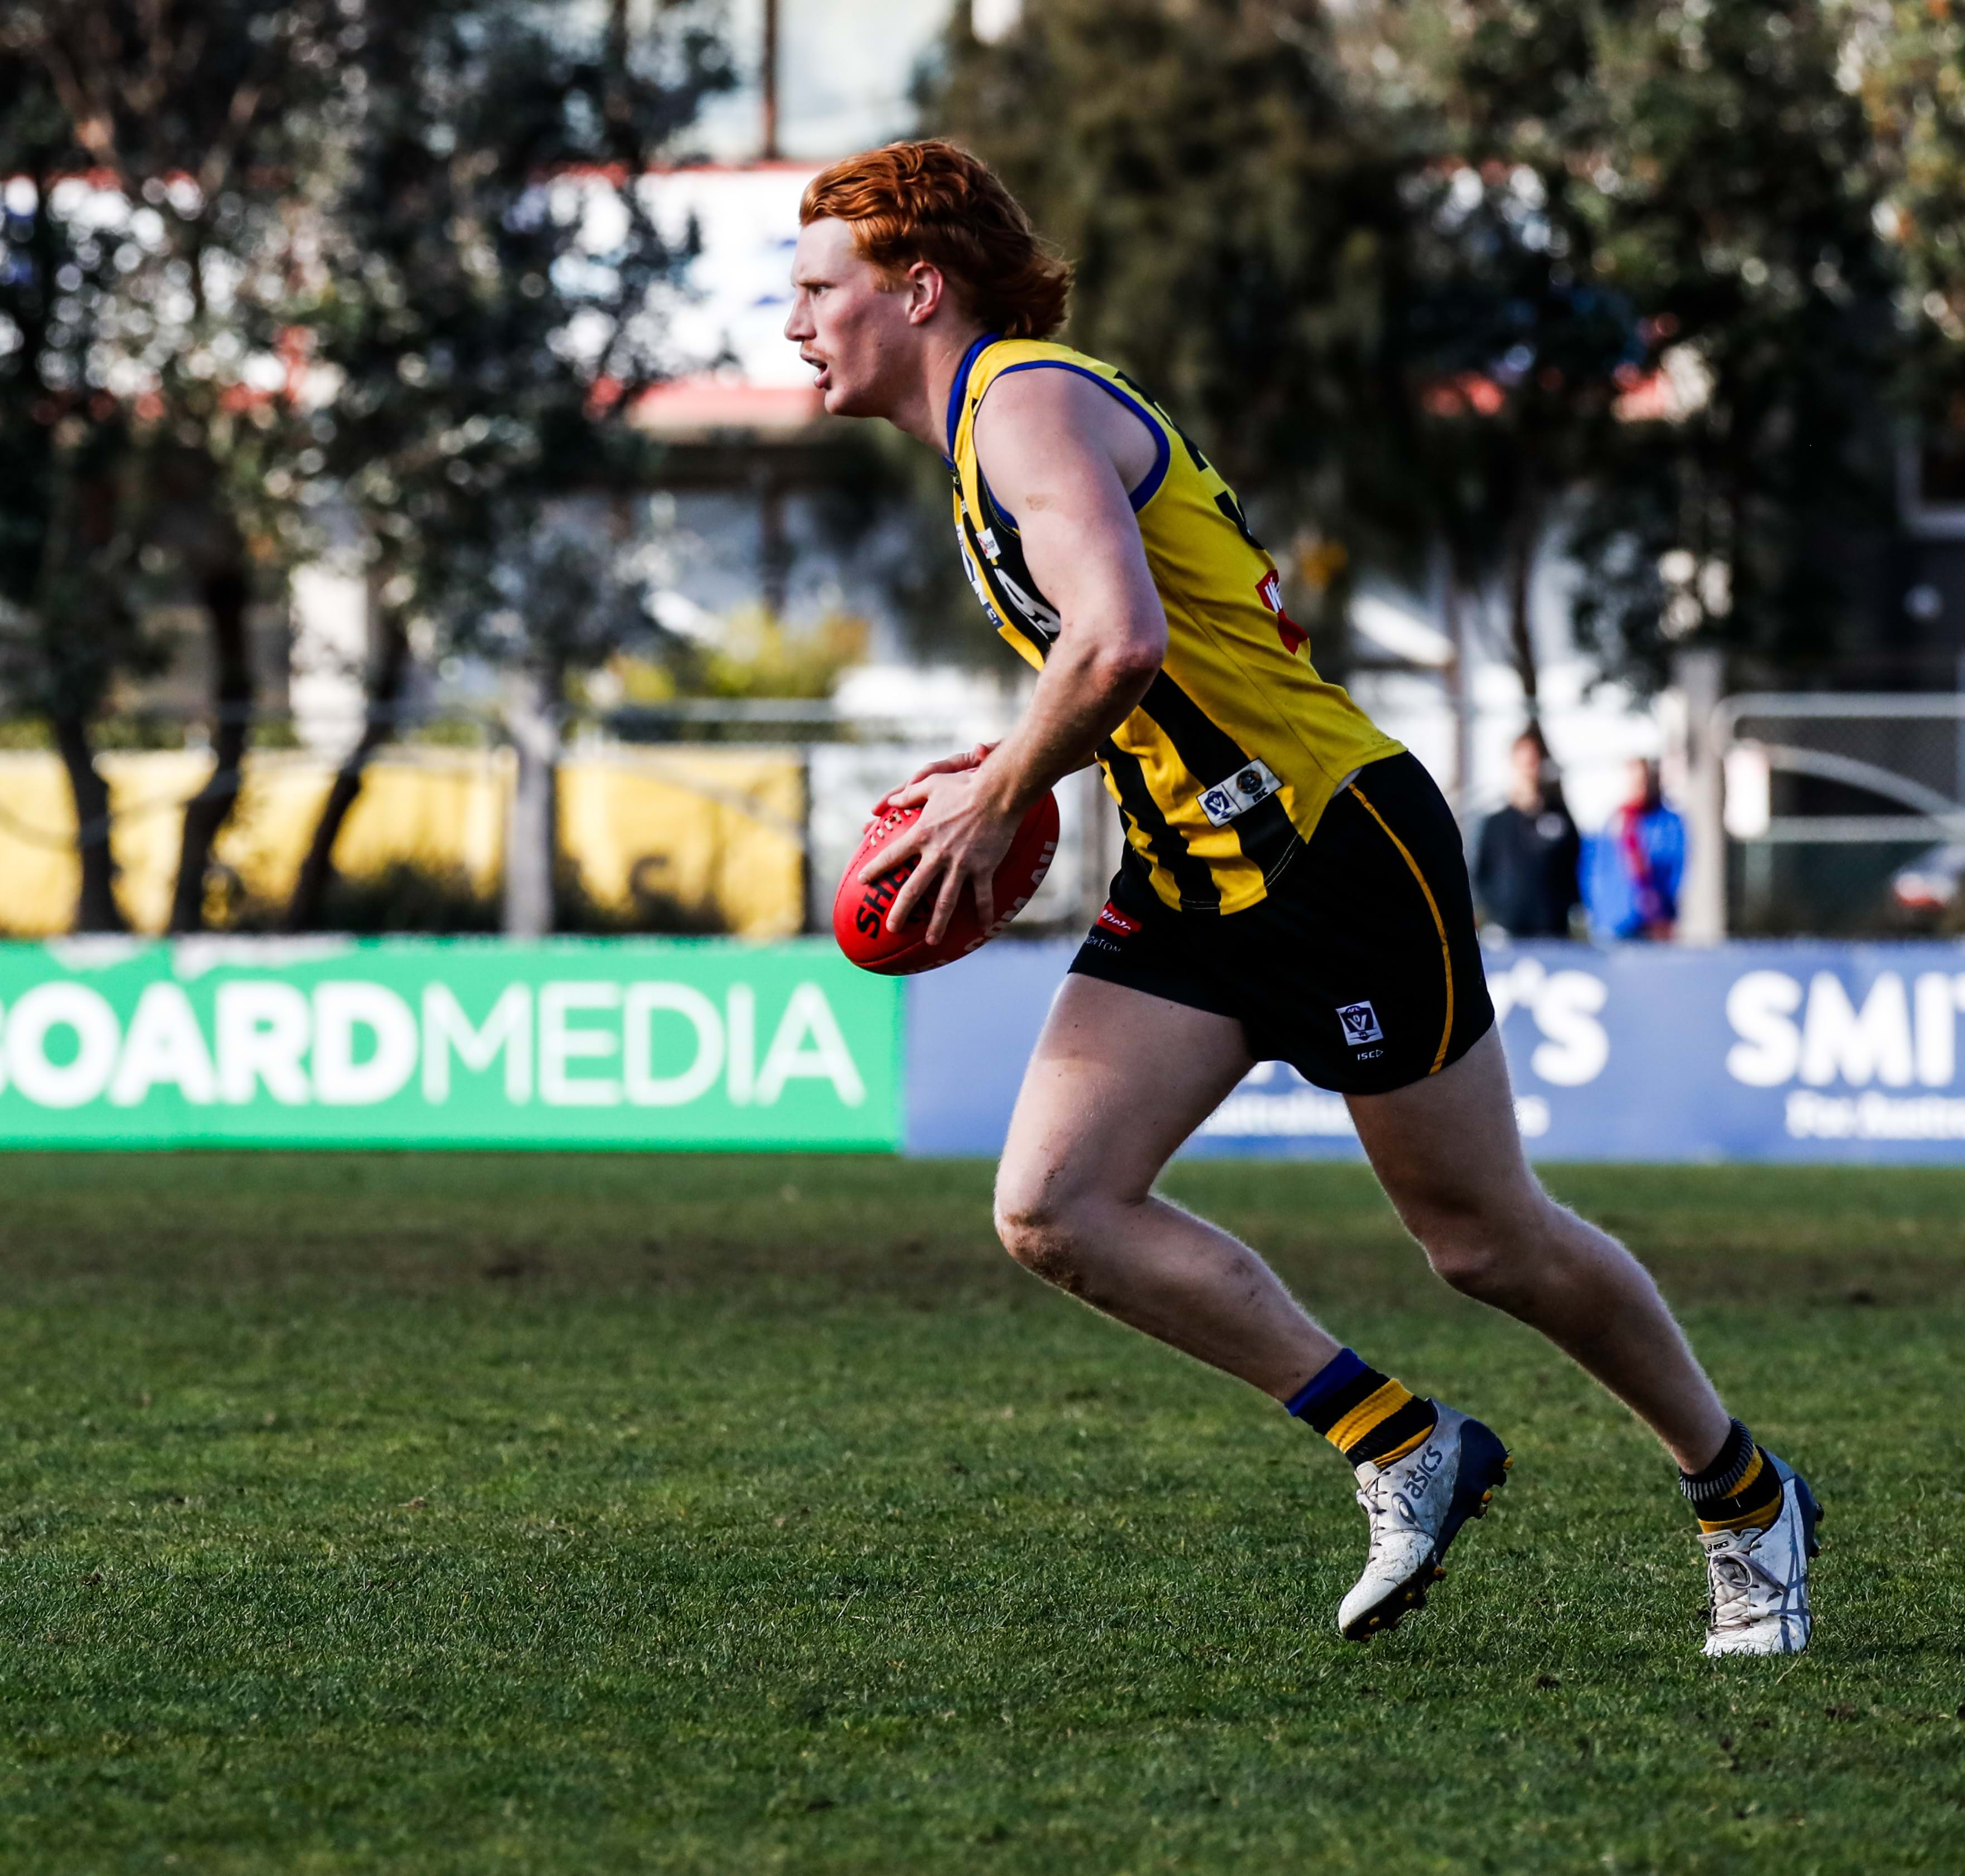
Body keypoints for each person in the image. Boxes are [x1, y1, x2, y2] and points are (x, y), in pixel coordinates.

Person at [785, 140, 1817, 1655]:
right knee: (1054, 1205)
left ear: (918, 286)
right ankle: (1401, 1442)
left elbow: (1119, 641)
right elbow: (1126, 670)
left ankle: (1742, 1494)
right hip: (1193, 875)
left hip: (1333, 847)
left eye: (818, 287)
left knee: (1483, 1242)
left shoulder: (1019, 401)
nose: (795, 322)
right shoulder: (980, 437)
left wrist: (995, 796)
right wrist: (1004, 780)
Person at [1473, 731, 1581, 938]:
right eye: (1523, 763)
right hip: (1507, 935)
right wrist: (1497, 914)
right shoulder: (1497, 823)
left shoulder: (1560, 818)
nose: (1528, 770)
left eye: (1533, 762)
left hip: (1553, 934)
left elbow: (1576, 865)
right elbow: (1481, 875)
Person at [1585, 758, 1686, 941]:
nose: (1639, 787)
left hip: (1655, 923)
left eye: (1643, 781)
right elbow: (1592, 872)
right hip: (1614, 924)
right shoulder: (1609, 823)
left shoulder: (1669, 823)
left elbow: (1678, 870)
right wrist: (1600, 911)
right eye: (1634, 781)